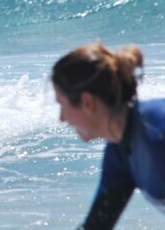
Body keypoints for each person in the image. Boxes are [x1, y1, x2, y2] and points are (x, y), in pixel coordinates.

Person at [52, 42, 165, 229]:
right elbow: (97, 225)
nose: (62, 118)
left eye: (62, 106)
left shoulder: (157, 133)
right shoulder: (121, 152)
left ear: (87, 102)